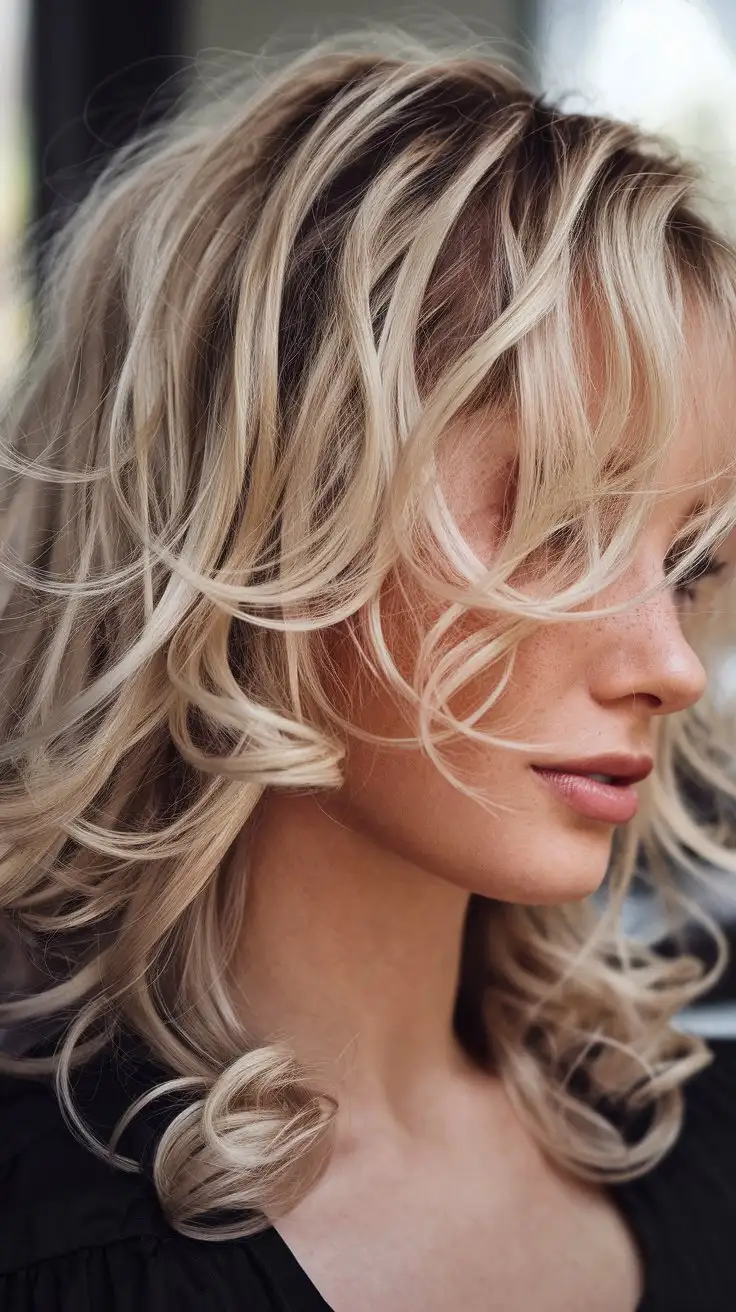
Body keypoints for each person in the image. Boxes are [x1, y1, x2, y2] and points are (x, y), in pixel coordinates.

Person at [1, 25, 736, 1312]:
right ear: (262, 504)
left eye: (690, 559)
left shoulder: (705, 1157)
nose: (673, 665)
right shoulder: (46, 1244)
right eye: (561, 524)